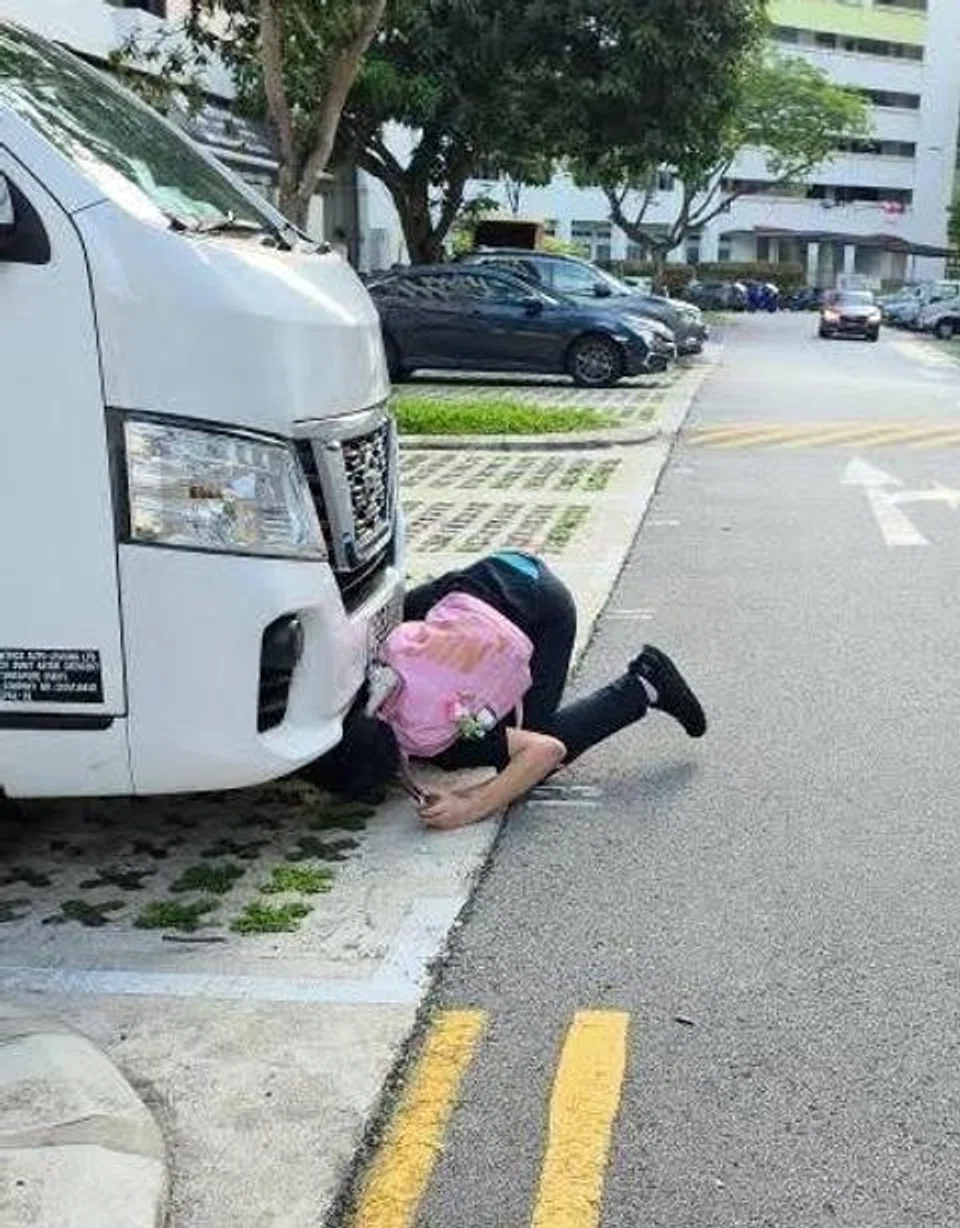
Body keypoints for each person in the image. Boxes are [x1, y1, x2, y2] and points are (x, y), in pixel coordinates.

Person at [317, 551, 706, 830]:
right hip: (493, 573)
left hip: (544, 608)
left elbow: (543, 751)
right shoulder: (359, 681)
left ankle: (644, 683)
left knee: (530, 757)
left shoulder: (439, 740)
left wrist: (471, 805)